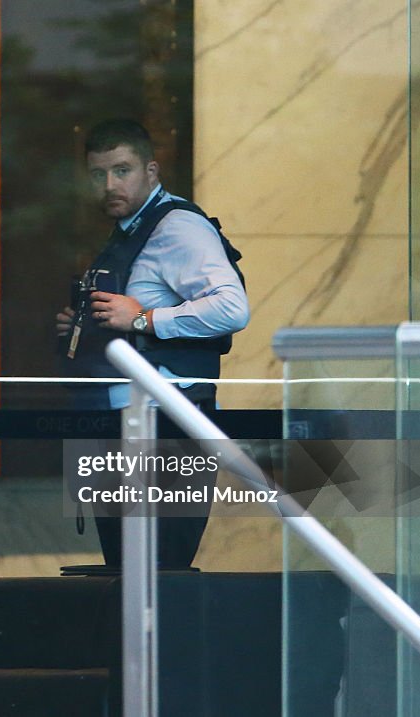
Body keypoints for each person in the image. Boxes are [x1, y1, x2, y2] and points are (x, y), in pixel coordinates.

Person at [57, 118, 249, 568]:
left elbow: (231, 308)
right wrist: (86, 325)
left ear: (152, 171)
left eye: (122, 171)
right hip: (124, 428)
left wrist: (141, 317)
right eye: (98, 174)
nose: (109, 184)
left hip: (165, 428)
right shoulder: (130, 230)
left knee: (158, 582)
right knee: (128, 577)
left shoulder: (177, 227)